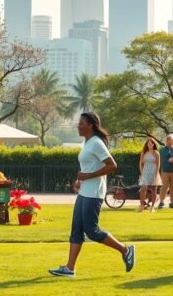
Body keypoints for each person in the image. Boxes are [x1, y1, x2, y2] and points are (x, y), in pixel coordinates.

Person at [49, 112, 135, 277]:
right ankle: (69, 269)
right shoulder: (87, 143)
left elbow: (112, 165)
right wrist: (79, 180)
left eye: (81, 123)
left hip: (94, 193)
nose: (78, 126)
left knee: (92, 231)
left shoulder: (96, 143)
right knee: (76, 230)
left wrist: (87, 176)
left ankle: (125, 250)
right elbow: (87, 166)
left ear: (90, 126)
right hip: (84, 192)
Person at [137, 137, 160, 212]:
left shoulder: (156, 153)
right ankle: (142, 205)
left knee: (154, 190)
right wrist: (141, 173)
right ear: (146, 144)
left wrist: (156, 175)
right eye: (148, 143)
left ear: (154, 144)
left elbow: (158, 165)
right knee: (143, 188)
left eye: (151, 143)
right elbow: (140, 164)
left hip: (154, 172)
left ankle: (152, 207)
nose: (150, 144)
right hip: (145, 172)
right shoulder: (143, 152)